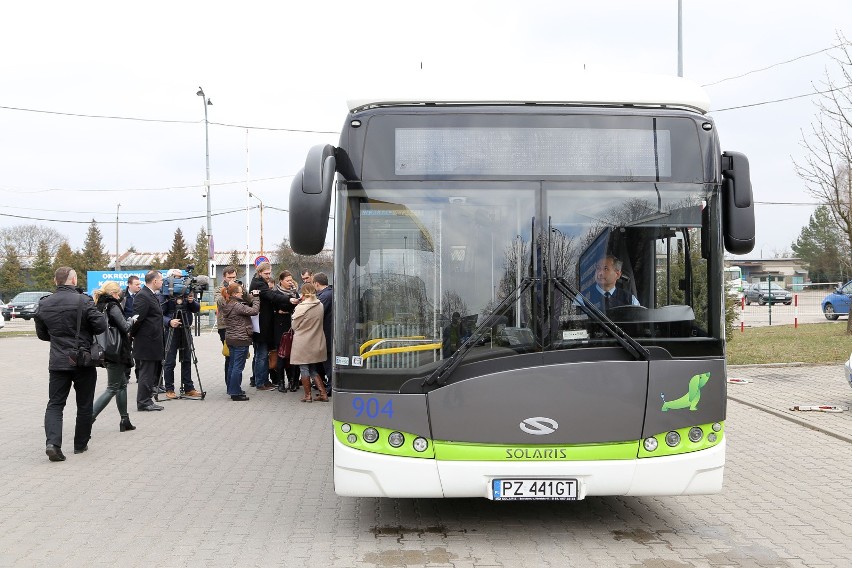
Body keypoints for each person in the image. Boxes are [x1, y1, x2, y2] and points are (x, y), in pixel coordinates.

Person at [34, 267, 108, 461]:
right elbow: (100, 326)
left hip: (58, 360)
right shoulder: (83, 300)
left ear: (55, 280)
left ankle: (53, 444)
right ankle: (80, 445)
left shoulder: (44, 303)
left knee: (55, 404)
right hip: (82, 360)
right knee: (84, 404)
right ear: (73, 280)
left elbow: (42, 335)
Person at [91, 281, 136, 432]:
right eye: (117, 294)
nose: (119, 296)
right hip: (116, 351)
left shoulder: (98, 305)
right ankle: (89, 418)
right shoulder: (112, 305)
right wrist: (132, 320)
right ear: (113, 294)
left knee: (122, 385)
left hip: (105, 349)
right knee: (112, 388)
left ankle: (125, 420)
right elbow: (125, 326)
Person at [248, 262, 292, 391]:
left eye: (269, 273)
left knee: (260, 354)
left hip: (261, 324)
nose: (268, 276)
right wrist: (288, 299)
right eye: (266, 273)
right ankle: (261, 382)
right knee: (261, 355)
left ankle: (261, 380)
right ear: (259, 272)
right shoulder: (259, 284)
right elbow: (271, 296)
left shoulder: (258, 281)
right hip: (261, 325)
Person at [160, 268, 202, 399]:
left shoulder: (186, 291)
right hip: (171, 330)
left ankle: (188, 387)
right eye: (176, 277)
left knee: (187, 359)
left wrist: (191, 301)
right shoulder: (165, 293)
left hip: (185, 328)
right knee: (169, 361)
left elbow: (196, 309)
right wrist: (169, 321)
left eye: (181, 277)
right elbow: (159, 314)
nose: (180, 280)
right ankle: (169, 389)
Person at [131, 270, 166, 412]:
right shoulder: (143, 296)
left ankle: (147, 399)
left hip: (153, 340)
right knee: (146, 373)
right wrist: (132, 335)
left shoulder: (150, 294)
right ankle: (144, 402)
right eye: (161, 280)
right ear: (155, 281)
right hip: (146, 342)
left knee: (151, 372)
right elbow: (137, 319)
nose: (163, 282)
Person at [290, 283, 328, 402]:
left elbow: (294, 326)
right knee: (312, 368)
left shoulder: (301, 307)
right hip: (316, 339)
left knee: (304, 367)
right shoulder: (320, 305)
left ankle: (308, 395)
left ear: (303, 293)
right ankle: (323, 394)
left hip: (303, 341)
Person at [221, 282, 259, 401]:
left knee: (232, 365)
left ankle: (232, 389)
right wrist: (256, 298)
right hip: (240, 339)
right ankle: (235, 392)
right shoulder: (237, 305)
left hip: (232, 338)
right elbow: (254, 311)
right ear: (234, 294)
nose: (242, 293)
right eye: (239, 292)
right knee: (238, 367)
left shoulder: (227, 304)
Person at [273, 270, 300, 392]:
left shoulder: (294, 292)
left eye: (291, 280)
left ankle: (293, 381)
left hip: (293, 326)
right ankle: (280, 382)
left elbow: (298, 305)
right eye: (287, 280)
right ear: (281, 281)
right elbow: (274, 306)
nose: (290, 282)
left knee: (293, 355)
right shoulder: (276, 292)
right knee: (282, 355)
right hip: (280, 327)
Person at [215, 266, 239, 387]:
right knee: (229, 355)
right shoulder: (219, 289)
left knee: (237, 356)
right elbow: (220, 302)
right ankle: (229, 384)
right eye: (229, 277)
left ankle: (235, 383)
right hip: (225, 326)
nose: (232, 279)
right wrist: (228, 289)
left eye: (234, 277)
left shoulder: (238, 286)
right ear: (224, 276)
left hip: (238, 325)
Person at [313, 272, 333, 394]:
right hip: (329, 333)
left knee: (328, 363)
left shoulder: (325, 296)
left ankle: (330, 388)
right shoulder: (330, 293)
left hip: (326, 333)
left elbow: (317, 313)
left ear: (316, 283)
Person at [121, 275, 142, 384]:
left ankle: (139, 376)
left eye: (139, 284)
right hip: (127, 328)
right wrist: (126, 324)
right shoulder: (123, 296)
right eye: (136, 284)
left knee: (138, 353)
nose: (139, 286)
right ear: (129, 285)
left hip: (139, 329)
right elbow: (119, 313)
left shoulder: (142, 295)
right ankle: (125, 376)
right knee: (126, 353)